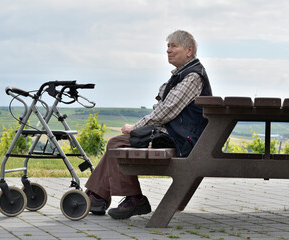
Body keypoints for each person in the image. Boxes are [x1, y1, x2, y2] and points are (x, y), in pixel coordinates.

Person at [85, 30, 212, 219]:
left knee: (117, 143)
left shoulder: (193, 76)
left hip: (184, 141)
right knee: (117, 142)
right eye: (167, 46)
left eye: (173, 46)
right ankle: (97, 196)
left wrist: (136, 128)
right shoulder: (182, 74)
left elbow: (167, 109)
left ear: (189, 50)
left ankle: (131, 198)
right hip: (179, 136)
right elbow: (163, 108)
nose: (168, 50)